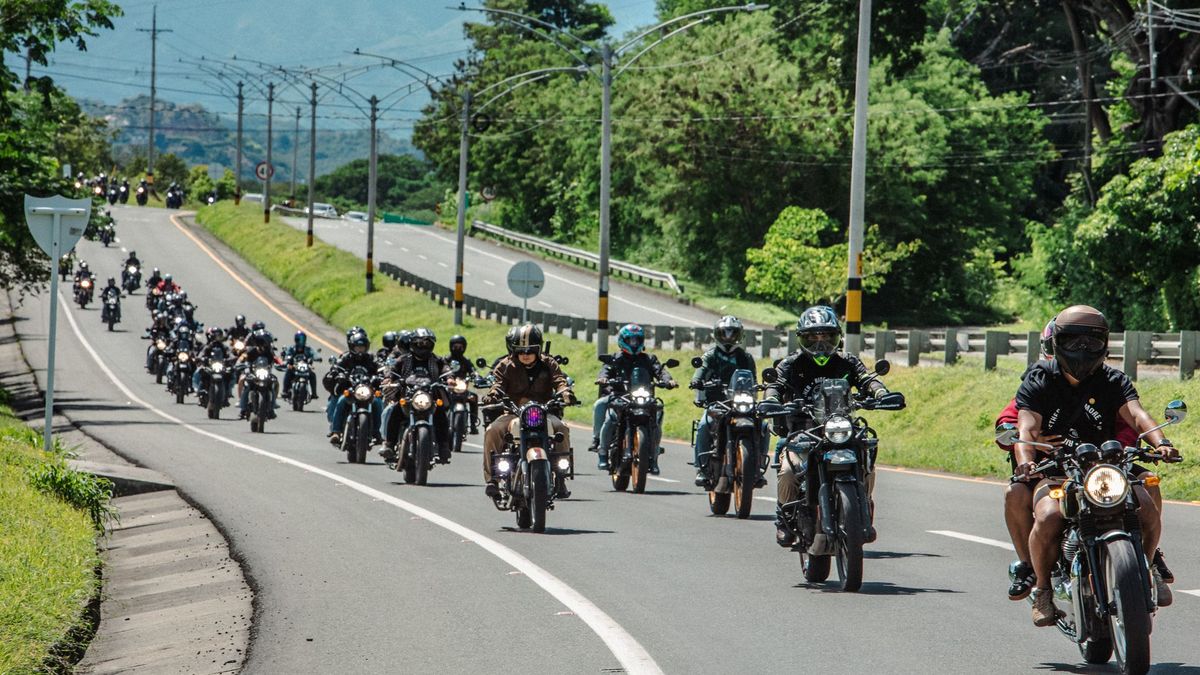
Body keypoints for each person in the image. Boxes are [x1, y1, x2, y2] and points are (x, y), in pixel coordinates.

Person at [1014, 305, 1180, 626]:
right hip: (1058, 469)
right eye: (1073, 341)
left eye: (1091, 341)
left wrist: (1162, 444)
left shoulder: (1114, 380)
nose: (1082, 349)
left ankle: (1145, 570)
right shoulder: (1039, 380)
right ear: (1055, 343)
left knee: (1146, 506)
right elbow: (1026, 428)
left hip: (1108, 465)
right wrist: (1025, 461)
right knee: (1048, 516)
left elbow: (1138, 414)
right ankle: (1044, 590)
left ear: (1105, 343)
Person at [768, 306, 902, 547]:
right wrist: (770, 401)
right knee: (788, 471)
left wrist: (880, 393)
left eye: (827, 337)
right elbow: (775, 386)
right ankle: (784, 517)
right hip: (803, 433)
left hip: (840, 430)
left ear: (836, 337)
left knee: (868, 463)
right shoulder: (790, 365)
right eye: (813, 337)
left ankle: (863, 505)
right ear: (802, 338)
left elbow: (867, 379)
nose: (820, 344)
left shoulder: (847, 361)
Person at [481, 324, 576, 498]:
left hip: (543, 412)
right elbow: (498, 384)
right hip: (513, 413)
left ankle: (561, 477)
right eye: (521, 351)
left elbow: (559, 380)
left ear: (538, 349)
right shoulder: (505, 365)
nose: (525, 355)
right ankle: (492, 480)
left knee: (562, 428)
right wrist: (493, 395)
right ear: (513, 350)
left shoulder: (549, 363)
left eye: (530, 350)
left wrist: (566, 393)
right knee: (492, 431)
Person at [590, 323, 677, 472]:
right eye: (631, 340)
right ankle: (602, 450)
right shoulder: (615, 358)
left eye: (637, 340)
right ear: (623, 340)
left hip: (642, 397)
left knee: (656, 417)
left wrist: (668, 380)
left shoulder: (649, 359)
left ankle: (654, 456)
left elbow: (660, 370)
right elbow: (605, 370)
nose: (634, 343)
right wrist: (603, 379)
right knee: (605, 410)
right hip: (619, 396)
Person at [690, 315, 758, 486]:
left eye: (732, 333)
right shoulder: (710, 356)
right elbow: (701, 370)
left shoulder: (746, 358)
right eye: (724, 333)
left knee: (762, 426)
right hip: (717, 403)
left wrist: (759, 388)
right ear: (717, 335)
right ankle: (702, 468)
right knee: (704, 425)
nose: (728, 337)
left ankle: (756, 468)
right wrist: (697, 381)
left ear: (739, 335)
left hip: (741, 403)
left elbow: (754, 380)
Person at [385, 328, 450, 461]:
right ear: (413, 344)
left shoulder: (436, 360)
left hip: (430, 396)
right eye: (420, 343)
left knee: (441, 414)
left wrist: (450, 379)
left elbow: (446, 369)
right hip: (408, 395)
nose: (424, 346)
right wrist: (389, 379)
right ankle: (389, 444)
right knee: (395, 411)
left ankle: (444, 446)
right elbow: (393, 371)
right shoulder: (404, 359)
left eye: (427, 343)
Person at [325, 327, 382, 445]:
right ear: (352, 347)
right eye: (357, 347)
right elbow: (337, 368)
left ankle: (377, 432)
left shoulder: (370, 359)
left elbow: (380, 369)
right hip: (351, 389)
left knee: (377, 402)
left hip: (367, 390)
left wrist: (381, 375)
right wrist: (338, 374)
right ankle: (336, 432)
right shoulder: (346, 358)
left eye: (362, 347)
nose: (360, 350)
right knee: (341, 401)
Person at [236, 327, 279, 419]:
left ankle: (272, 405)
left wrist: (281, 365)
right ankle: (242, 407)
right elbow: (244, 360)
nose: (264, 345)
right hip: (253, 373)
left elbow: (274, 361)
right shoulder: (252, 351)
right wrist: (242, 365)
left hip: (265, 374)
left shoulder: (269, 353)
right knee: (243, 381)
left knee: (275, 383)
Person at [444, 334, 480, 435]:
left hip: (461, 388)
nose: (458, 349)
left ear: (464, 347)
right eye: (455, 347)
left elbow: (473, 370)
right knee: (438, 400)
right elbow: (441, 369)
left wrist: (476, 376)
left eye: (460, 347)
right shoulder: (446, 359)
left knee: (474, 397)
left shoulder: (466, 361)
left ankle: (473, 425)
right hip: (449, 388)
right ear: (451, 347)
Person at [193, 327, 232, 403]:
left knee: (230, 374)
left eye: (219, 336)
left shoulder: (223, 346)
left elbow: (230, 354)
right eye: (215, 335)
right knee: (201, 372)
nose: (217, 338)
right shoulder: (209, 346)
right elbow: (202, 353)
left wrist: (231, 359)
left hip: (221, 366)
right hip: (210, 366)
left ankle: (228, 392)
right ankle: (199, 391)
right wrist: (200, 358)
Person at [281, 331, 318, 402]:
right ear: (296, 339)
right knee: (288, 372)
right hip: (294, 367)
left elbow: (314, 354)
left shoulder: (308, 349)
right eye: (299, 339)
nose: (301, 341)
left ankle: (314, 393)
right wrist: (287, 359)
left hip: (305, 368)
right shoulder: (292, 348)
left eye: (302, 339)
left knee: (312, 375)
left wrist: (316, 358)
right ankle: (285, 391)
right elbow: (287, 355)